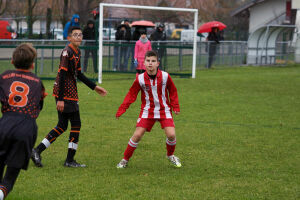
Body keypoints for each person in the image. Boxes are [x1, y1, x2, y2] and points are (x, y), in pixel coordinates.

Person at [31, 26, 107, 168]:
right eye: (75, 35)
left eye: (80, 35)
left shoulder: (77, 52)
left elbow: (79, 75)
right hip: (65, 93)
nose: (78, 37)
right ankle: (69, 160)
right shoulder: (67, 52)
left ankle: (37, 150)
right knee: (75, 124)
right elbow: (62, 75)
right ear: (69, 38)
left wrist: (95, 87)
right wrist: (60, 99)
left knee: (62, 125)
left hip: (69, 93)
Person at [116, 50, 181, 169]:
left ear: (158, 63)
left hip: (164, 110)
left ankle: (170, 155)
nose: (150, 63)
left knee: (171, 135)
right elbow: (131, 94)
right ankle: (124, 160)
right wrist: (122, 109)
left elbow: (172, 91)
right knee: (137, 135)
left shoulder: (166, 76)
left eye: (153, 61)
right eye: (148, 61)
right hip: (147, 111)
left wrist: (175, 106)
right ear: (144, 63)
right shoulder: (140, 79)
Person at [0, 43, 46, 199]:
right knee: (10, 177)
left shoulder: (4, 76)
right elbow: (39, 106)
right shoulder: (37, 82)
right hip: (27, 127)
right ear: (32, 65)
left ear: (12, 61)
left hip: (4, 124)